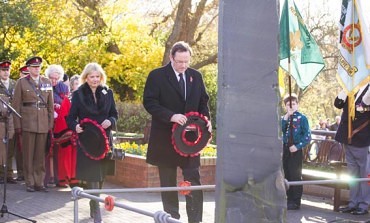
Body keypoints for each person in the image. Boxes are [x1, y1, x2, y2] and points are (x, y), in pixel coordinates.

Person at [143, 41, 212, 223]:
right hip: (164, 140)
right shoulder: (157, 76)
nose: (183, 66)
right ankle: (173, 218)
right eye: (179, 61)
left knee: (193, 180)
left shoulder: (195, 76)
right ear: (171, 58)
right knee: (168, 183)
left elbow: (203, 102)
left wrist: (206, 121)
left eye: (186, 61)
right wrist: (171, 116)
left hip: (190, 141)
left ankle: (195, 219)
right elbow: (149, 102)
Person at [66, 62, 118, 223]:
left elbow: (114, 114)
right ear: (86, 78)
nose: (95, 79)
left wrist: (110, 121)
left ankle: (92, 201)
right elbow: (70, 117)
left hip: (105, 140)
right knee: (93, 175)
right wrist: (75, 126)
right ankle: (96, 210)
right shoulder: (79, 93)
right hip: (88, 140)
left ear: (101, 77)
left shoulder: (107, 92)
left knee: (101, 176)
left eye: (97, 76)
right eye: (91, 77)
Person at [12, 56, 54, 192]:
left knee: (40, 155)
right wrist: (18, 126)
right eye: (34, 67)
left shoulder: (46, 82)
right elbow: (16, 106)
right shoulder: (21, 83)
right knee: (28, 154)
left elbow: (50, 105)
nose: (36, 69)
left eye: (38, 67)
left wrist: (50, 124)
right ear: (28, 68)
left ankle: (39, 182)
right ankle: (29, 182)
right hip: (27, 122)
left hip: (42, 123)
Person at [335, 86, 370, 215]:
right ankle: (353, 203)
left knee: (365, 175)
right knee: (352, 174)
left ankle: (363, 204)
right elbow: (337, 104)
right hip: (347, 138)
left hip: (362, 139)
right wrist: (346, 86)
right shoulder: (351, 87)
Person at [281, 93, 311, 210]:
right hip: (285, 149)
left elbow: (307, 136)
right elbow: (281, 129)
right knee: (286, 173)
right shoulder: (285, 118)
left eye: (293, 104)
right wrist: (287, 116)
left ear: (297, 105)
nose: (291, 106)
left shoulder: (302, 118)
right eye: (289, 104)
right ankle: (288, 198)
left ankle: (296, 200)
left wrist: (298, 146)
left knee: (295, 175)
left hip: (295, 149)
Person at [0, 60, 16, 184]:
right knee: (1, 148)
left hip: (12, 120)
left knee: (11, 147)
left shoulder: (14, 84)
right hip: (1, 120)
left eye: (7, 70)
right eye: (3, 70)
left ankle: (9, 174)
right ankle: (1, 173)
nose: (6, 72)